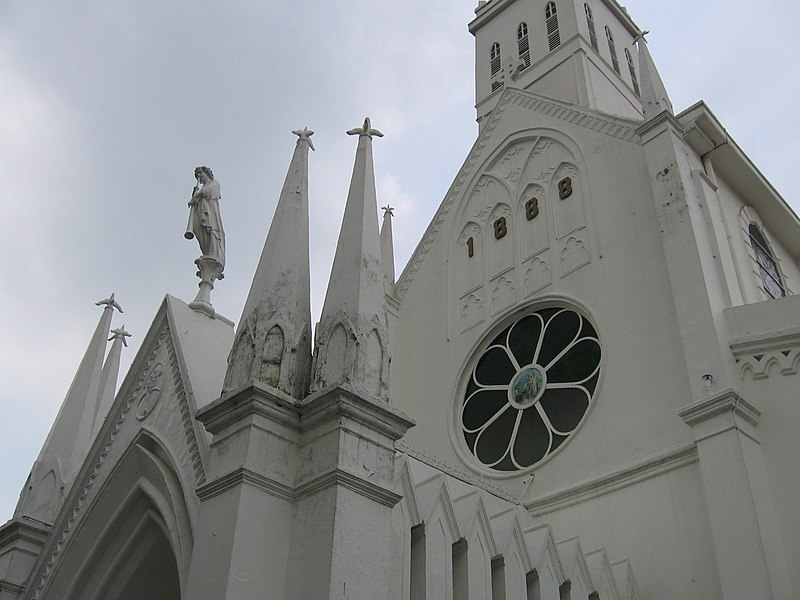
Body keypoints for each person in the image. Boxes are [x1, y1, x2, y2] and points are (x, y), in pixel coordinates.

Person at [186, 166, 225, 267]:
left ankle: (213, 252)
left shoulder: (214, 183)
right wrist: (194, 196)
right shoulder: (200, 190)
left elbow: (208, 193)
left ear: (206, 172)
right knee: (198, 229)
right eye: (197, 175)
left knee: (211, 231)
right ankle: (207, 251)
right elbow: (197, 202)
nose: (199, 176)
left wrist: (195, 196)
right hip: (202, 213)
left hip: (210, 212)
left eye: (200, 173)